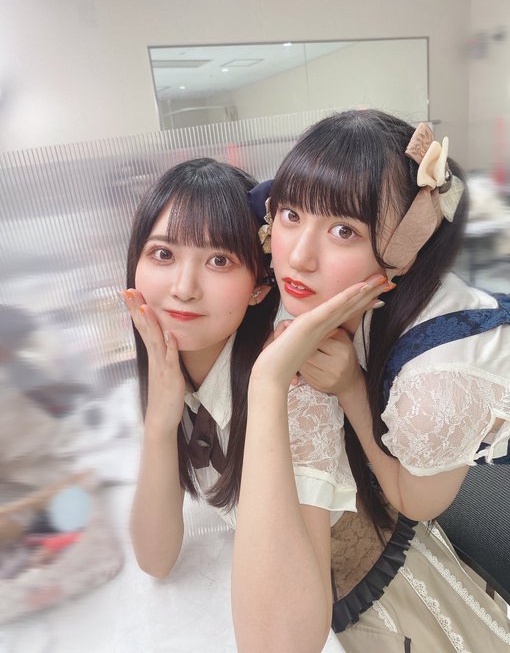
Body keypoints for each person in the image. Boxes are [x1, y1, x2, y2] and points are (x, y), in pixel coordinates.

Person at [252, 109, 510, 651]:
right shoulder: (355, 289)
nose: (298, 256)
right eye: (292, 214)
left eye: (343, 230)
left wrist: (349, 388)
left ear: (403, 248)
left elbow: (416, 502)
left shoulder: (437, 384)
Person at [122, 157, 388, 653]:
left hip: (373, 609)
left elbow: (280, 645)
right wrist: (159, 425)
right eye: (163, 253)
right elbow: (155, 559)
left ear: (260, 287)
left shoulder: (293, 383)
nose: (183, 288)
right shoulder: (170, 368)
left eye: (219, 261)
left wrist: (267, 386)